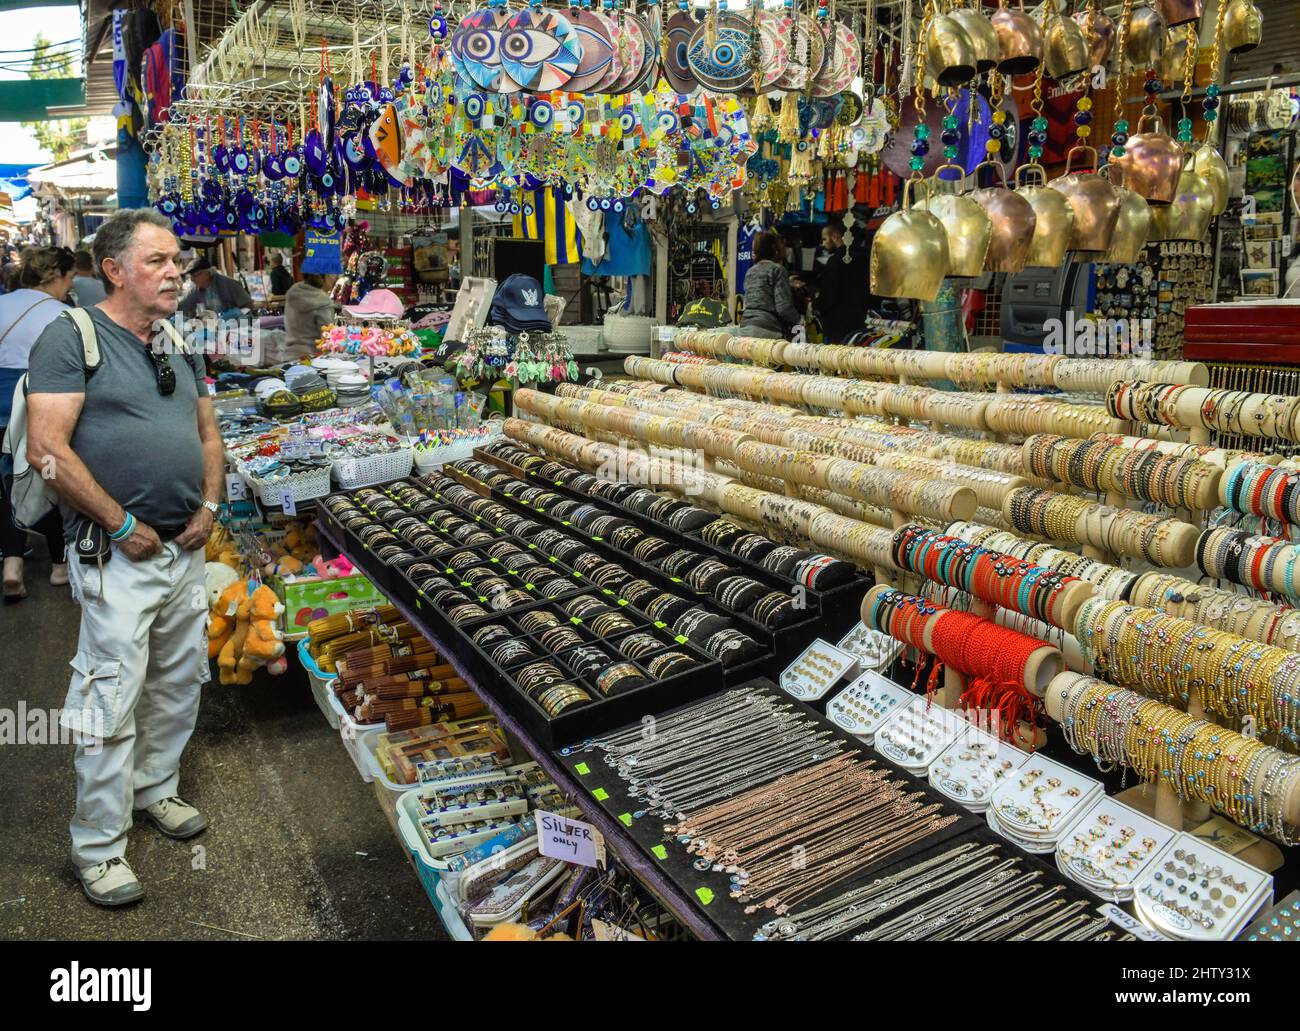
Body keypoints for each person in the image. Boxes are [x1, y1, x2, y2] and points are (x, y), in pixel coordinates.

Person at [26, 208, 222, 907]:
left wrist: (211, 506)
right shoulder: (69, 337)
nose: (177, 272)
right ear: (113, 269)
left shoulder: (177, 338)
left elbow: (207, 432)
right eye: (159, 261)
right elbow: (46, 450)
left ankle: (155, 790)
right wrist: (121, 522)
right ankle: (99, 846)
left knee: (177, 681)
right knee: (109, 697)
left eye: (178, 260)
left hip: (185, 547)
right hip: (118, 554)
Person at [1, 246, 74, 599]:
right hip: (38, 403)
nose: (70, 286)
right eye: (70, 278)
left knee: (6, 483)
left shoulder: (1, 304)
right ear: (56, 276)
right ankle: (60, 563)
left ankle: (12, 562)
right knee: (52, 473)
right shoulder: (62, 315)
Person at [737, 231, 801, 340]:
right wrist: (799, 320)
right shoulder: (778, 270)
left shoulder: (750, 271)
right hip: (768, 329)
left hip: (746, 327)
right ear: (774, 248)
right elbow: (783, 307)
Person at [813, 222, 863, 344]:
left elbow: (829, 294)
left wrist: (816, 304)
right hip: (862, 321)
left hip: (838, 323)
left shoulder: (834, 261)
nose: (823, 243)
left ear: (835, 236)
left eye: (825, 239)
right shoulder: (865, 257)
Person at [282, 272, 336, 359]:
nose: (334, 279)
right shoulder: (323, 302)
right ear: (324, 277)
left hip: (289, 355)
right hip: (313, 358)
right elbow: (327, 338)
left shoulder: (293, 292)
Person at [178, 253, 252, 317]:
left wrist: (236, 313)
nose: (192, 279)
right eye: (191, 276)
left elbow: (249, 306)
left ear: (207, 273)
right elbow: (183, 306)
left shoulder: (229, 284)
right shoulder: (196, 290)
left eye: (195, 275)